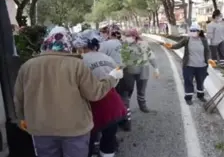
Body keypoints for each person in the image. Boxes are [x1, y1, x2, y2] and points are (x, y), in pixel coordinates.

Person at [13, 26, 124, 157]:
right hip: (75, 129)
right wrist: (111, 77)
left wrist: (23, 120)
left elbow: (19, 98)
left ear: (46, 43)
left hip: (41, 129)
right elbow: (94, 93)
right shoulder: (77, 64)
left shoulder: (27, 66)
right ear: (68, 44)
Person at [73, 29, 127, 157]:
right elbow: (117, 77)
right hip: (113, 104)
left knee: (89, 140)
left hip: (92, 106)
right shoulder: (107, 57)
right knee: (109, 139)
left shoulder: (79, 61)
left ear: (82, 46)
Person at [163, 23, 215, 105]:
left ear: (199, 31)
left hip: (201, 66)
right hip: (189, 66)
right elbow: (178, 45)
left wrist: (209, 59)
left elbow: (207, 51)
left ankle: (200, 96)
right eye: (191, 30)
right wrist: (171, 46)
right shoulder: (187, 39)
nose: (193, 32)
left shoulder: (203, 40)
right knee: (188, 81)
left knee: (200, 82)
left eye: (195, 30)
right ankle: (188, 97)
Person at [119, 28, 159, 129]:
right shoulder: (124, 45)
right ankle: (126, 110)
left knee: (141, 91)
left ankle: (143, 106)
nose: (126, 38)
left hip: (142, 71)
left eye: (128, 36)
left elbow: (151, 56)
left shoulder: (144, 44)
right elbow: (121, 59)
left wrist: (156, 68)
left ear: (134, 36)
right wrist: (118, 68)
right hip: (129, 72)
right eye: (125, 36)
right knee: (127, 91)